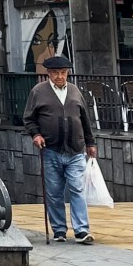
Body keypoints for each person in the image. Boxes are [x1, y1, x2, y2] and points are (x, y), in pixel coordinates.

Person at [23, 54, 97, 244]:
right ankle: (59, 230)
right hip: (50, 149)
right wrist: (36, 134)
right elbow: (29, 118)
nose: (60, 76)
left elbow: (84, 118)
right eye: (56, 73)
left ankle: (81, 230)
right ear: (49, 73)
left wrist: (90, 143)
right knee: (54, 192)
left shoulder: (74, 91)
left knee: (77, 189)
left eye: (63, 73)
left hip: (75, 149)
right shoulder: (38, 91)